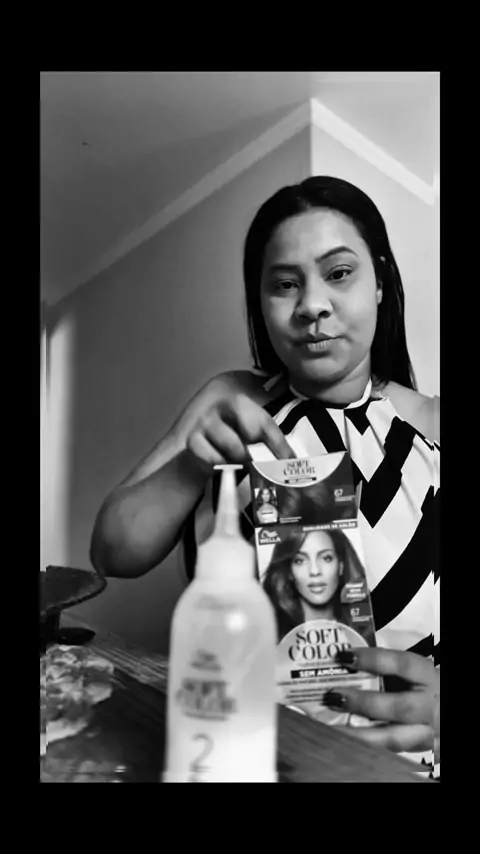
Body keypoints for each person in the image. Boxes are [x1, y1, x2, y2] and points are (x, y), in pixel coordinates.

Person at [90, 176, 439, 777]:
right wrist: (194, 463)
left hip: (409, 764)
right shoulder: (232, 401)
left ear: (380, 282)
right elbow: (111, 553)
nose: (311, 306)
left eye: (339, 273)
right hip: (246, 755)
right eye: (284, 284)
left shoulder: (432, 425)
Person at [262, 528, 368, 639]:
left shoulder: (365, 632)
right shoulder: (271, 636)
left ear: (341, 566)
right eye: (300, 561)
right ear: (289, 572)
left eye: (326, 558)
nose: (315, 571)